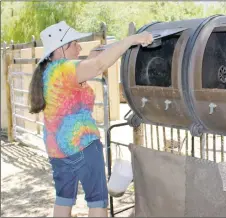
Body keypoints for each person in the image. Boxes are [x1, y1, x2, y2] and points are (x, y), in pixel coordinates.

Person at [28, 21, 153, 217]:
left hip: (57, 149)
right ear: (61, 48)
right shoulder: (64, 69)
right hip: (82, 146)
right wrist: (131, 40)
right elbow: (99, 65)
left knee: (63, 200)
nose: (79, 46)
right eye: (75, 43)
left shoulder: (49, 71)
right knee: (97, 202)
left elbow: (89, 67)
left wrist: (91, 57)